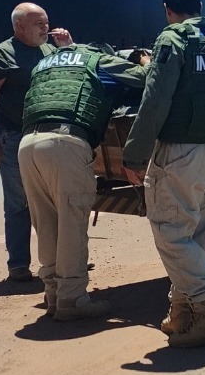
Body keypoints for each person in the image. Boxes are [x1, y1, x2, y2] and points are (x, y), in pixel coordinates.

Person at [121, 0, 205, 348]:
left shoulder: (172, 38)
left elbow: (155, 101)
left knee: (171, 232)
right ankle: (183, 314)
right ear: (200, 5)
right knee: (195, 236)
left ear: (168, 9)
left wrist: (134, 154)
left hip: (181, 152)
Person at [18, 43, 147, 320]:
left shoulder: (46, 65)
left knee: (46, 222)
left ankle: (53, 293)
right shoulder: (97, 61)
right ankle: (72, 299)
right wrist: (145, 61)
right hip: (65, 143)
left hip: (28, 143)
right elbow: (144, 78)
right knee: (71, 223)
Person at [0, 3, 70, 282]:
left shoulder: (49, 50)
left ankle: (56, 262)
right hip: (14, 136)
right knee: (18, 203)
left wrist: (67, 46)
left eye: (46, 23)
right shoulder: (2, 55)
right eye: (38, 24)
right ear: (19, 26)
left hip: (46, 135)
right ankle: (18, 266)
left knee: (50, 201)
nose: (45, 28)